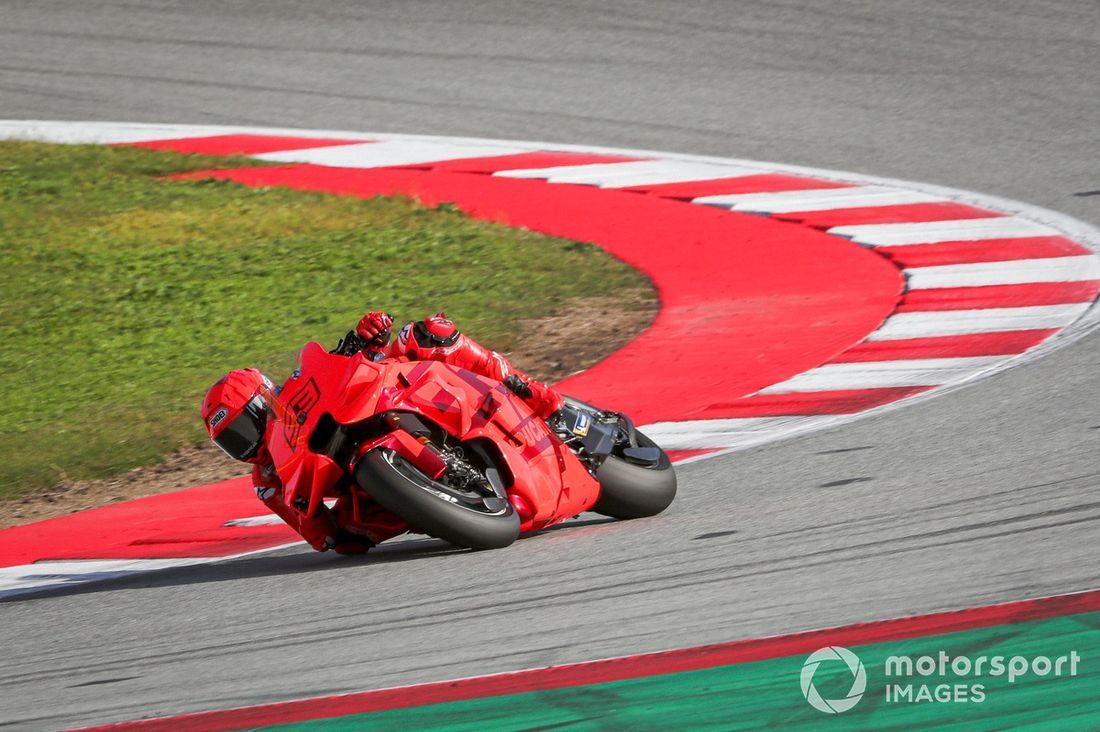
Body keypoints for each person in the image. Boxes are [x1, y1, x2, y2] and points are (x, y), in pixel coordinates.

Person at [201, 311, 563, 555]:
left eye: (242, 428)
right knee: (348, 534)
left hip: (392, 397)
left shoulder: (300, 388)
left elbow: (342, 367)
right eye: (232, 442)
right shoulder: (266, 478)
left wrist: (364, 338)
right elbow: (322, 537)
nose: (245, 445)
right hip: (364, 482)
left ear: (263, 402)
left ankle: (536, 395)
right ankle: (437, 504)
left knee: (426, 333)